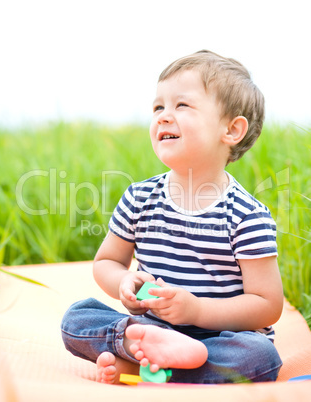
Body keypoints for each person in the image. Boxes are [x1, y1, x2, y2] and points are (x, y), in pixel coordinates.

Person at [61, 50, 284, 385]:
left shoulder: (246, 215)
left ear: (232, 130)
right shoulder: (139, 197)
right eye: (158, 107)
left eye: (182, 105)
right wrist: (124, 283)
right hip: (155, 328)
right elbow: (106, 262)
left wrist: (196, 311)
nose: (164, 116)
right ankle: (150, 351)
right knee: (76, 318)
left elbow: (267, 305)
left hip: (220, 338)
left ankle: (141, 366)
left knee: (260, 357)